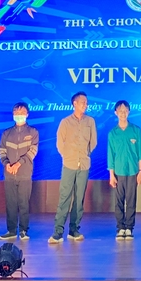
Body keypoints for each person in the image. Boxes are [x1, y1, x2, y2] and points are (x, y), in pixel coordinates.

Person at [49, 92, 96, 244]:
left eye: (86, 102)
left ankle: (74, 230)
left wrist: (85, 154)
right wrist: (68, 156)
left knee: (79, 198)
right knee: (64, 197)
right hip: (69, 164)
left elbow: (93, 142)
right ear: (74, 103)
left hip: (84, 165)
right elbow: (60, 143)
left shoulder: (90, 121)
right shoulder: (65, 122)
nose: (85, 105)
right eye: (83, 102)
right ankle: (58, 232)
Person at [0, 102, 39, 241]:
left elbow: (32, 151)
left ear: (27, 114)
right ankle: (11, 230)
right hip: (9, 174)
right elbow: (1, 151)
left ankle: (23, 230)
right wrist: (7, 164)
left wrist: (18, 164)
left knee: (23, 203)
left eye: (22, 112)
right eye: (16, 112)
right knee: (10, 203)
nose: (19, 115)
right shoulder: (7, 133)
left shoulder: (33, 132)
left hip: (25, 174)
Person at [107, 100, 141, 240]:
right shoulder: (113, 133)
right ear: (116, 113)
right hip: (118, 172)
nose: (123, 113)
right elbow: (110, 155)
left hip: (133, 171)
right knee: (119, 201)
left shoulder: (136, 130)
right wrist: (111, 175)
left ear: (129, 112)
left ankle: (129, 228)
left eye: (125, 111)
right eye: (120, 111)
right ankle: (120, 228)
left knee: (131, 200)